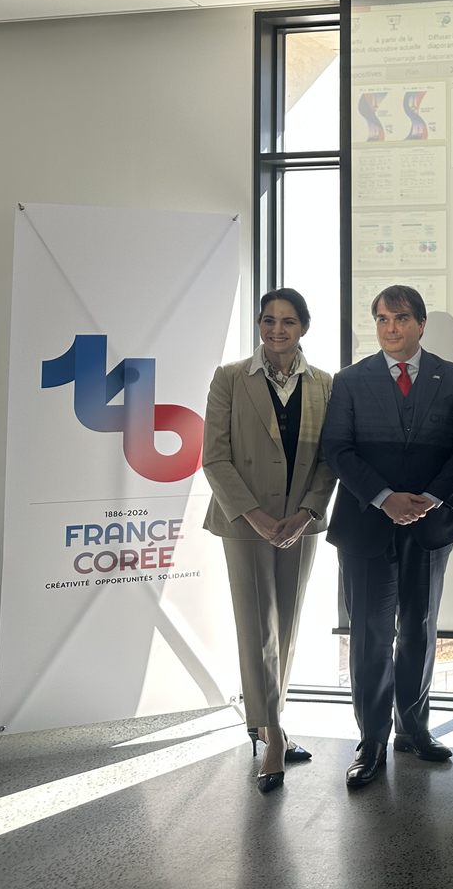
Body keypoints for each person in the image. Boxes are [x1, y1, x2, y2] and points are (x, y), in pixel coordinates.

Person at [321, 284, 453, 788]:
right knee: (369, 636)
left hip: (430, 525)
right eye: (383, 319)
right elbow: (338, 450)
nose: (391, 328)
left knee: (419, 631)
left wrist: (427, 498)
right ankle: (371, 742)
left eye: (402, 319)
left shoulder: (452, 379)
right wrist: (386, 497)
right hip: (366, 526)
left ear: (421, 324)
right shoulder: (350, 380)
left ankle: (414, 729)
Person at [202, 288, 336, 794]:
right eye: (267, 320)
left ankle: (268, 721)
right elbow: (214, 456)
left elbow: (329, 459)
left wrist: (305, 513)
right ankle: (273, 735)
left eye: (287, 320)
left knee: (286, 625)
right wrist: (255, 516)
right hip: (245, 520)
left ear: (304, 326)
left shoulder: (325, 384)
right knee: (256, 627)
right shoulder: (230, 378)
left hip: (298, 521)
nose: (276, 329)